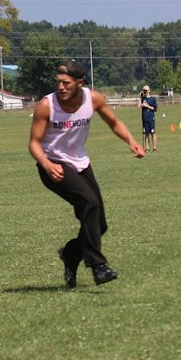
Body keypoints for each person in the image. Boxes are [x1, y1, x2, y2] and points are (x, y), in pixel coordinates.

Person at [28, 60, 144, 288]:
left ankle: (71, 254)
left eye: (66, 83)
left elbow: (114, 122)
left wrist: (131, 141)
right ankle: (98, 266)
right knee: (89, 202)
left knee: (99, 226)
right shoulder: (47, 105)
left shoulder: (93, 99)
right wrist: (46, 164)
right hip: (53, 164)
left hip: (80, 163)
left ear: (80, 82)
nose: (61, 87)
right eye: (58, 82)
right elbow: (33, 143)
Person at [139, 85, 158, 153]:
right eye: (144, 90)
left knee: (153, 133)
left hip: (151, 118)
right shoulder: (142, 99)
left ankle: (154, 148)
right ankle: (147, 148)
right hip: (144, 119)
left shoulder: (153, 99)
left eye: (146, 90)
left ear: (149, 91)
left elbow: (155, 109)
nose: (145, 92)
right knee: (146, 134)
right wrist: (140, 98)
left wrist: (147, 106)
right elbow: (138, 106)